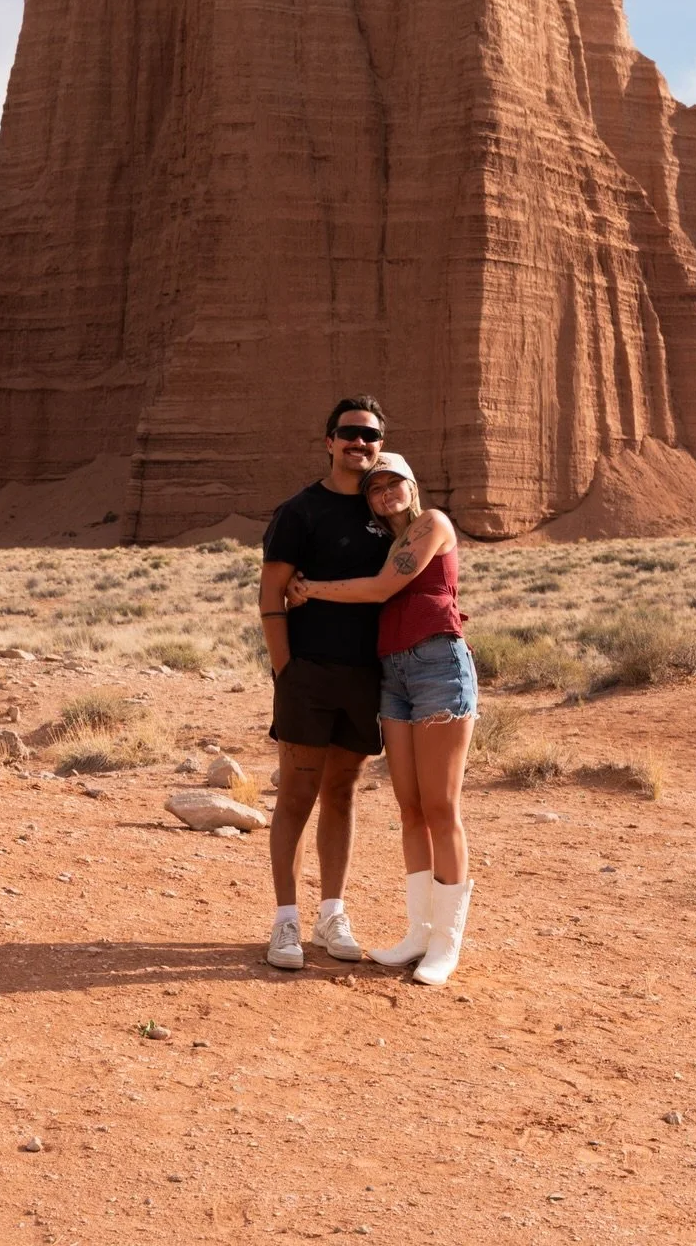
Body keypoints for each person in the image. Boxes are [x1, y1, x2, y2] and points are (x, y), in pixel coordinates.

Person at [286, 452, 476, 987]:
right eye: (376, 487)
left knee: (442, 808)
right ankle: (418, 932)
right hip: (394, 675)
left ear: (414, 486)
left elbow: (379, 590)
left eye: (395, 482)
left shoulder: (431, 524)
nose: (386, 491)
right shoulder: (388, 543)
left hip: (439, 666)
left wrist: (309, 589)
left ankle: (445, 943)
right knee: (411, 808)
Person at [258, 397, 389, 971]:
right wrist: (286, 672)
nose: (360, 443)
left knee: (342, 793)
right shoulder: (299, 512)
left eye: (371, 435)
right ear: (329, 441)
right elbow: (270, 596)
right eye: (350, 433)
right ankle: (285, 922)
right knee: (296, 795)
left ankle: (331, 913)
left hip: (366, 676)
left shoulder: (386, 512)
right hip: (308, 674)